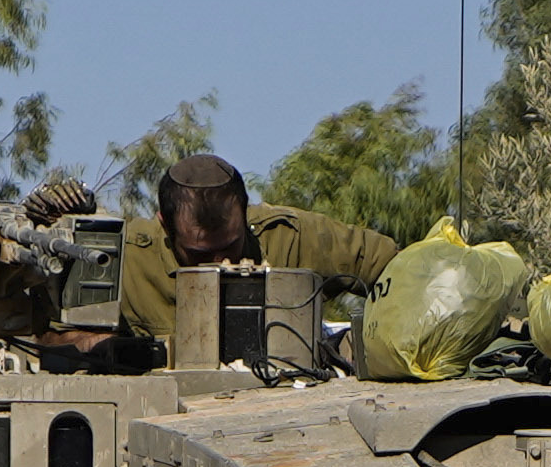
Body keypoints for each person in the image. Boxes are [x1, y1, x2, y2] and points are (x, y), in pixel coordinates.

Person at [111, 145, 396, 363]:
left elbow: (400, 269)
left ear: (245, 213)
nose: (221, 263)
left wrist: (356, 344)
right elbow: (69, 338)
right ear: (164, 225)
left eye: (231, 246)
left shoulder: (289, 238)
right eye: (200, 253)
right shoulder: (127, 257)